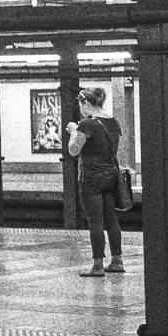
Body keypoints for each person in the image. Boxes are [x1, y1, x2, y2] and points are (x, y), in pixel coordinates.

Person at [66, 87, 124, 278]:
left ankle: (97, 265)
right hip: (111, 176)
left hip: (91, 178)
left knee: (95, 221)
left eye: (80, 105)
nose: (81, 109)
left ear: (86, 103)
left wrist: (73, 131)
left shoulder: (86, 124)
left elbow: (74, 150)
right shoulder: (113, 122)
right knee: (111, 219)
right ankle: (117, 261)